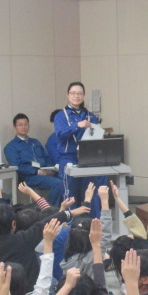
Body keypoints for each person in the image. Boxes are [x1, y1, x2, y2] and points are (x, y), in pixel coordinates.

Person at [54, 82, 107, 216]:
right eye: (73, 93)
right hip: (68, 157)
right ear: (68, 95)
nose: (76, 96)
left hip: (87, 158)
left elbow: (98, 136)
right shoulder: (61, 115)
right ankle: (70, 227)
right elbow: (60, 135)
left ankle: (92, 224)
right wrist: (77, 125)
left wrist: (92, 128)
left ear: (83, 96)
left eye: (79, 93)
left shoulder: (90, 116)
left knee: (90, 193)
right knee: (70, 195)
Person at [4, 113, 63, 207]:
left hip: (45, 173)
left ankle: (63, 211)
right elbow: (17, 166)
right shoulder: (11, 147)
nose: (23, 127)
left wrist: (50, 169)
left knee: (66, 181)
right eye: (20, 125)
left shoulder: (35, 142)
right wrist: (37, 171)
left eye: (26, 124)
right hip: (28, 177)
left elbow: (46, 157)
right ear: (14, 127)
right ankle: (49, 211)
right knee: (57, 183)